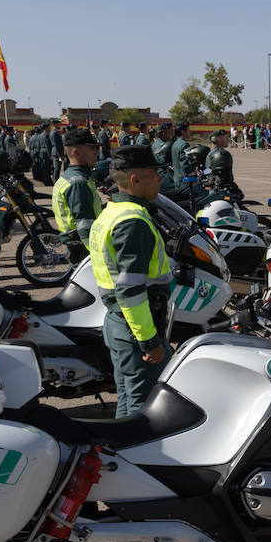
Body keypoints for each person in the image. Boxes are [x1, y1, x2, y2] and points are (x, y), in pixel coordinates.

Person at [89, 145, 173, 417]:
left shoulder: (112, 211)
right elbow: (130, 290)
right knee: (142, 406)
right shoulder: (132, 222)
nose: (160, 179)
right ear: (135, 179)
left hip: (119, 322)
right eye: (154, 173)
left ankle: (121, 453)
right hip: (136, 327)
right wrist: (149, 341)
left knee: (127, 396)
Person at [53, 129, 104, 256]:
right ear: (76, 152)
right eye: (93, 148)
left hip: (76, 244)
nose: (97, 152)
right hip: (83, 248)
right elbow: (85, 226)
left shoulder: (70, 177)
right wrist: (97, 254)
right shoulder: (78, 182)